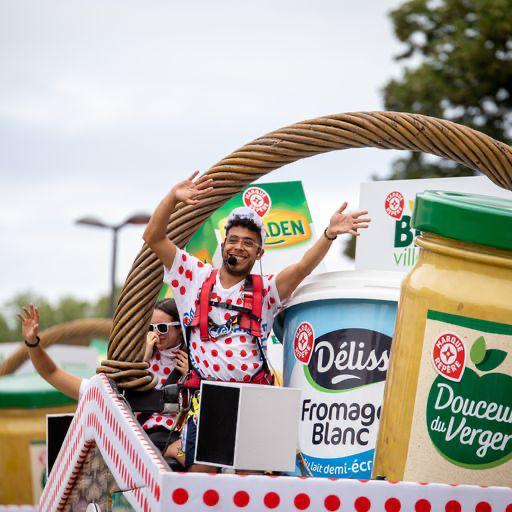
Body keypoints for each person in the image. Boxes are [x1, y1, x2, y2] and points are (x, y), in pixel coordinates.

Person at [143, 171, 371, 472]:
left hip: (254, 397)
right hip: (211, 397)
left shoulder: (266, 290)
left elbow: (302, 268)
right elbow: (153, 237)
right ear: (224, 245)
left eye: (248, 243)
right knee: (200, 481)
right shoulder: (193, 277)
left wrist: (329, 234)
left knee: (249, 486)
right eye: (233, 240)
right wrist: (172, 197)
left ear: (259, 252)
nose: (238, 247)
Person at [17, 300, 189, 460]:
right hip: (136, 447)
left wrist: (191, 374)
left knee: (192, 458)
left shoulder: (194, 363)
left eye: (162, 328)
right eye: (150, 328)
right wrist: (32, 343)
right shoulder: (112, 382)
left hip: (174, 439)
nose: (155, 334)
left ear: (180, 328)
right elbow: (51, 373)